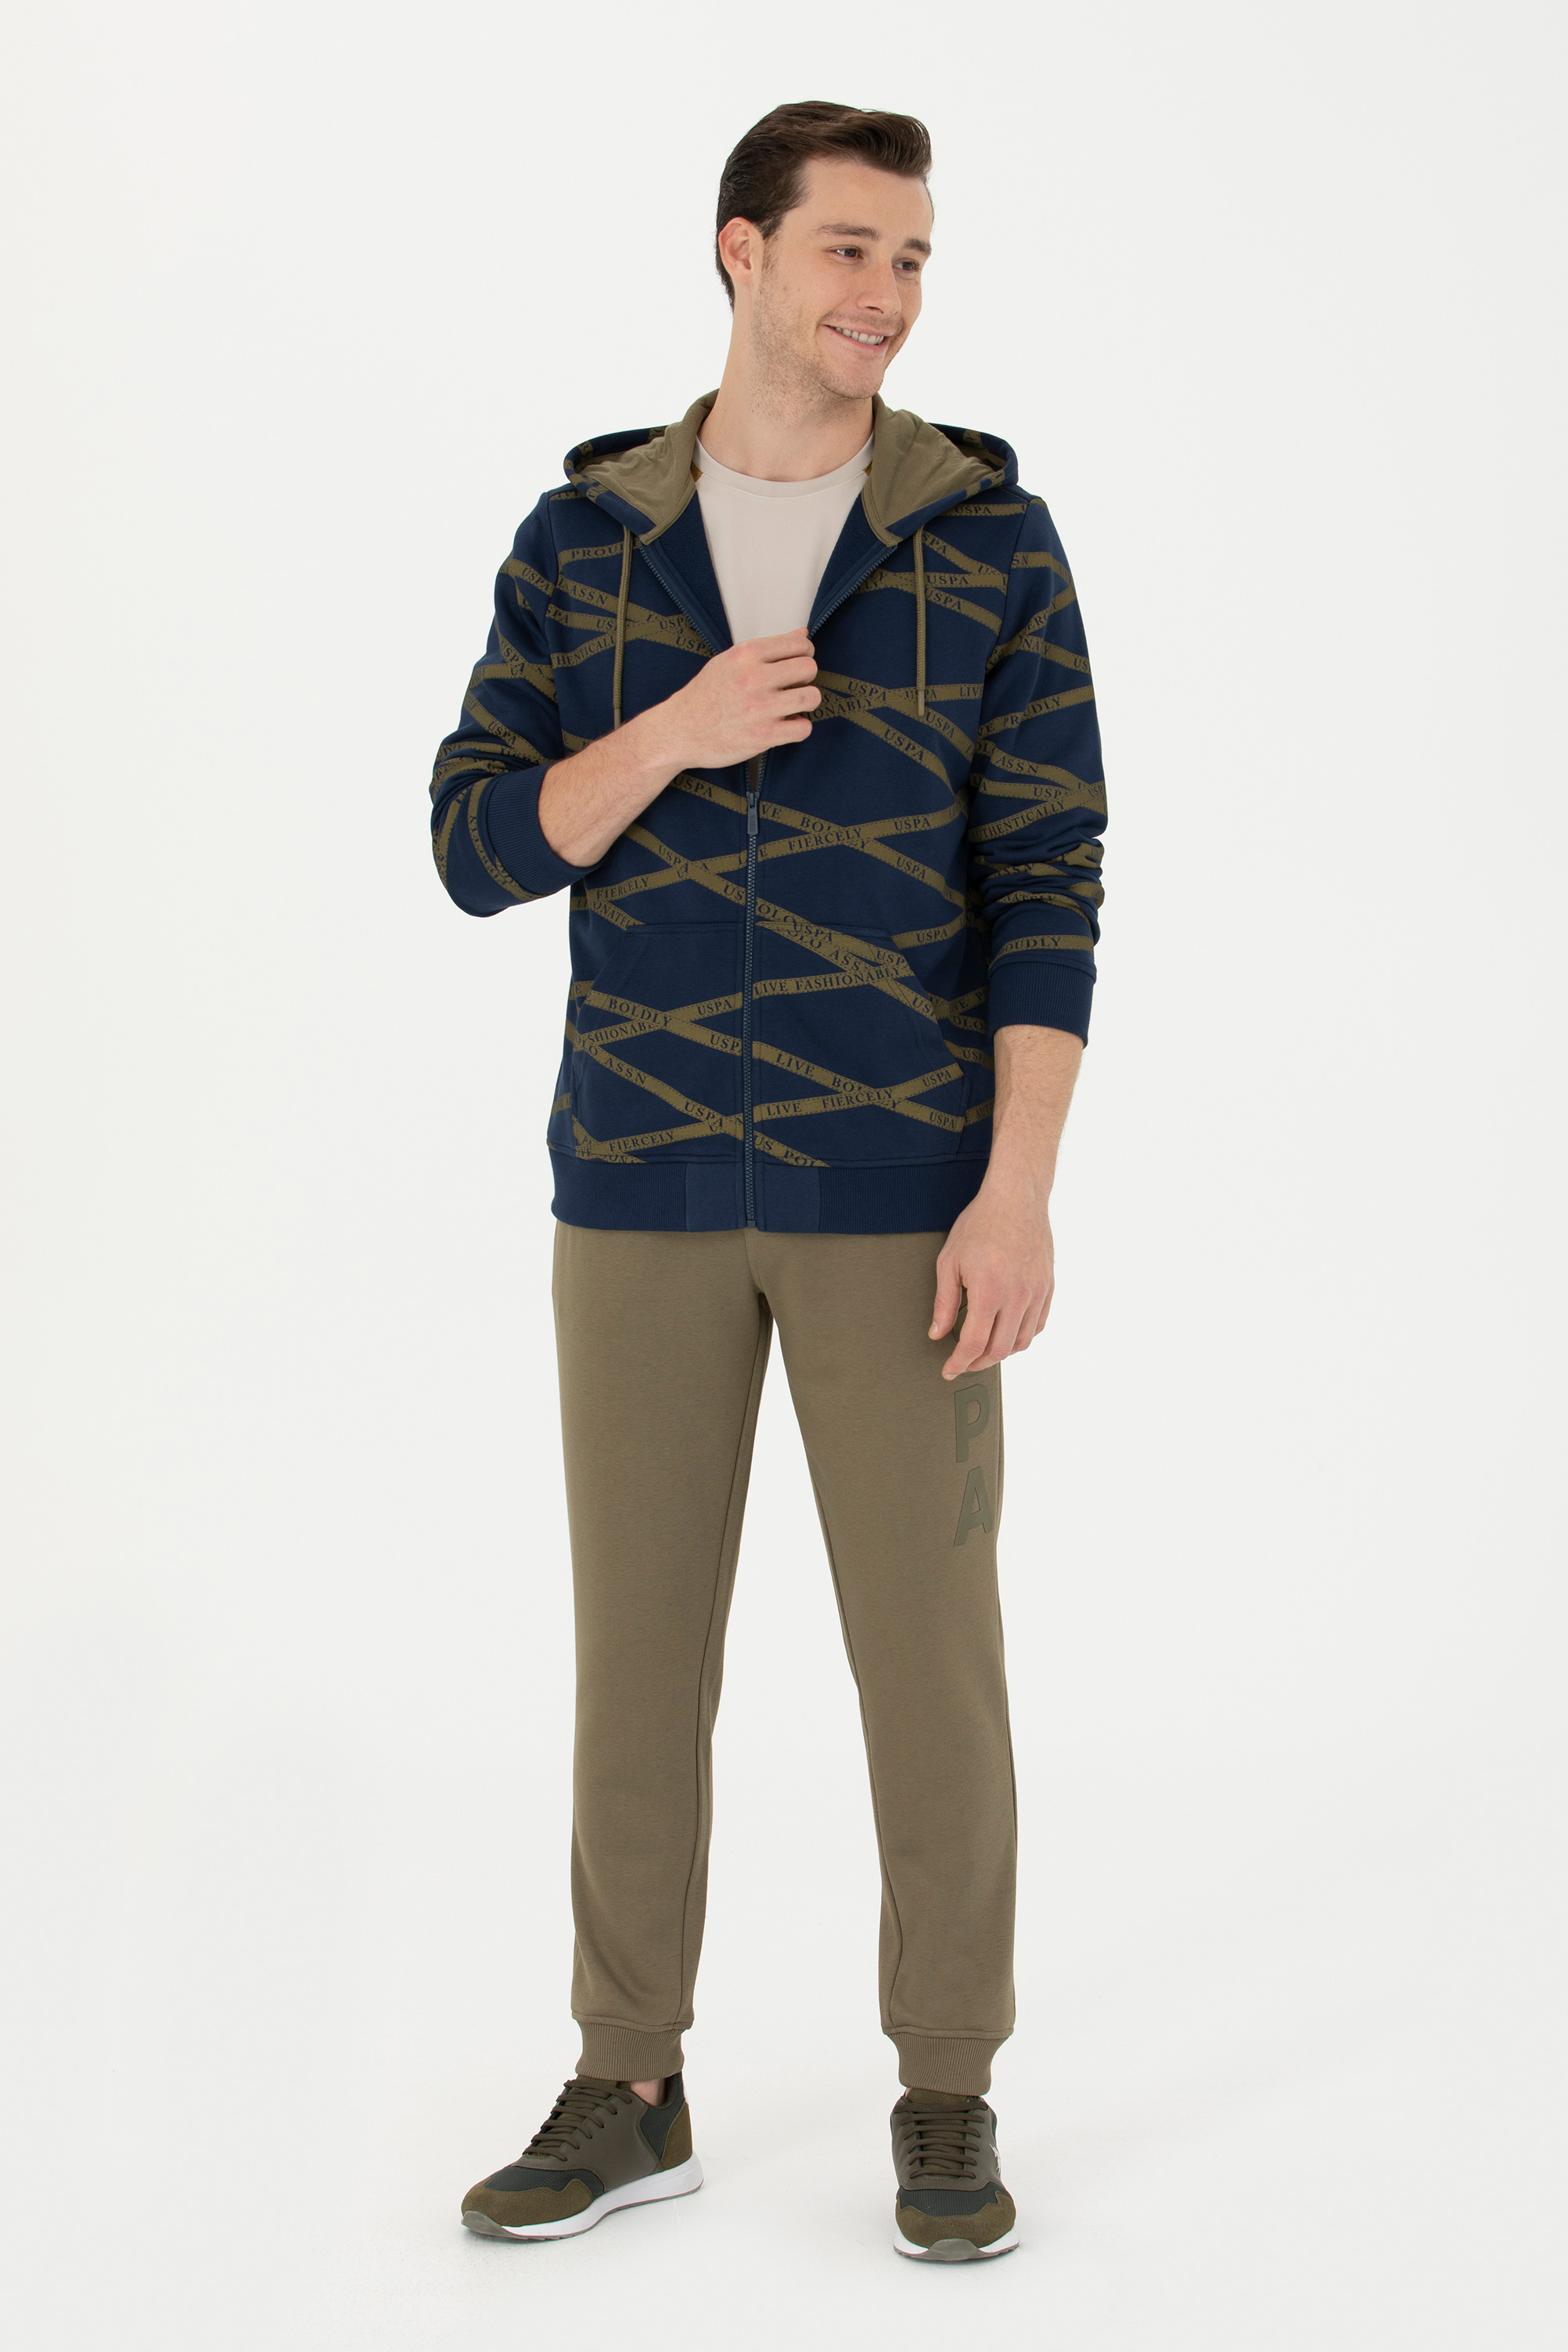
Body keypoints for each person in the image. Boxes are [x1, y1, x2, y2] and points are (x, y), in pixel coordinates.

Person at [427, 99, 1106, 2264]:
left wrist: (1015, 1189)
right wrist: (671, 732)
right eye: (847, 250)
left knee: (929, 1662)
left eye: (912, 258)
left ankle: (946, 2086)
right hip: (634, 1182)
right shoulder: (587, 538)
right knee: (636, 1659)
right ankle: (628, 2080)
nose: (884, 296)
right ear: (740, 251)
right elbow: (472, 843)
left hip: (899, 1192)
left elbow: (1049, 883)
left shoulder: (986, 539)